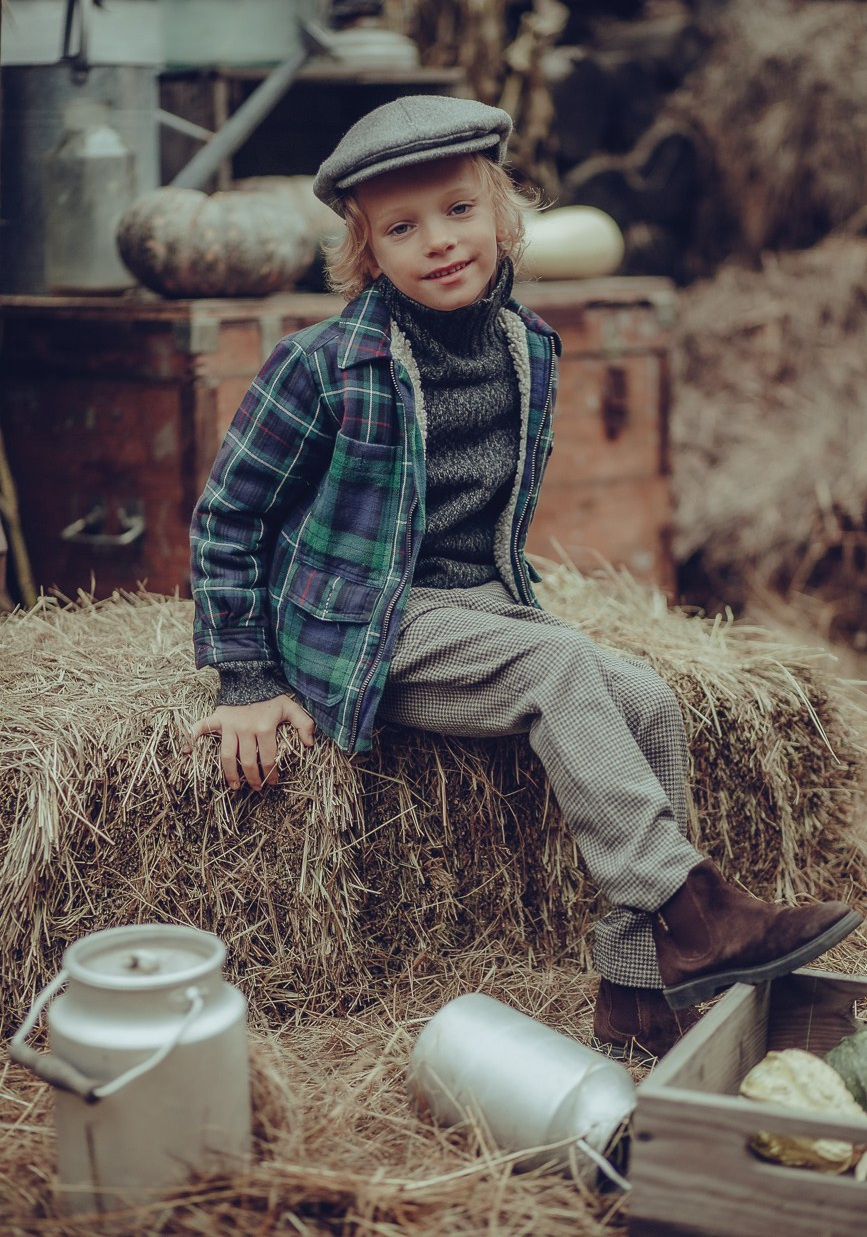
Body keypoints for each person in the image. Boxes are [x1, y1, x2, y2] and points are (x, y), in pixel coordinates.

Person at [188, 95, 862, 1060]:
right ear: (366, 252)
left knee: (647, 702)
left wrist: (508, 615)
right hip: (360, 623)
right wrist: (248, 679)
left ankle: (636, 993)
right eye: (401, 229)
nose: (439, 241)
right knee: (558, 671)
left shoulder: (525, 347)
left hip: (473, 607)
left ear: (503, 214)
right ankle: (694, 907)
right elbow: (228, 515)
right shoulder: (322, 365)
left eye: (459, 210)